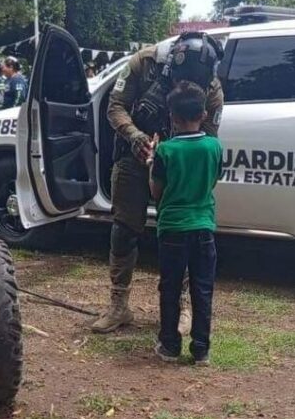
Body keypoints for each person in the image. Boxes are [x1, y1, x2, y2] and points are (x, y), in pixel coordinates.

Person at [90, 31, 224, 334]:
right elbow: (115, 106)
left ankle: (183, 307)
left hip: (177, 166)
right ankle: (119, 305)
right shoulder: (145, 62)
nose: (185, 88)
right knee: (123, 229)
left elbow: (210, 138)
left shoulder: (212, 88)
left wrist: (181, 160)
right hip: (133, 156)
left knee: (185, 232)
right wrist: (135, 137)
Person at [148, 81, 222, 365]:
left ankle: (169, 345)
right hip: (203, 226)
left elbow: (157, 192)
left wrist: (150, 163)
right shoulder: (214, 147)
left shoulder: (166, 151)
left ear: (172, 117)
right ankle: (201, 348)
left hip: (172, 229)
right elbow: (212, 182)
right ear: (203, 114)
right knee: (202, 288)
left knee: (170, 287)